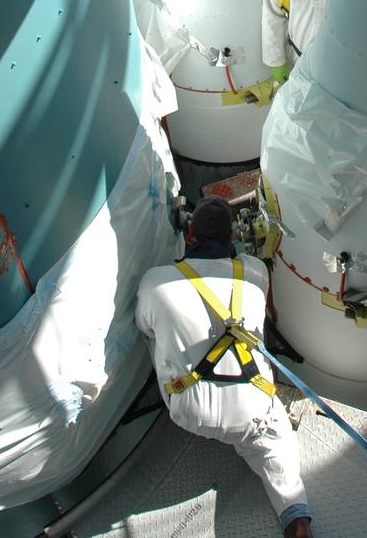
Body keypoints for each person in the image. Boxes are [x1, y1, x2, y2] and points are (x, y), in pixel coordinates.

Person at [136, 197, 313, 538]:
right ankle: (296, 516)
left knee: (153, 329)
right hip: (251, 409)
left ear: (189, 234)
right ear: (232, 234)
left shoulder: (155, 282)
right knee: (274, 440)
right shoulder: (254, 272)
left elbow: (143, 326)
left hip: (187, 406)